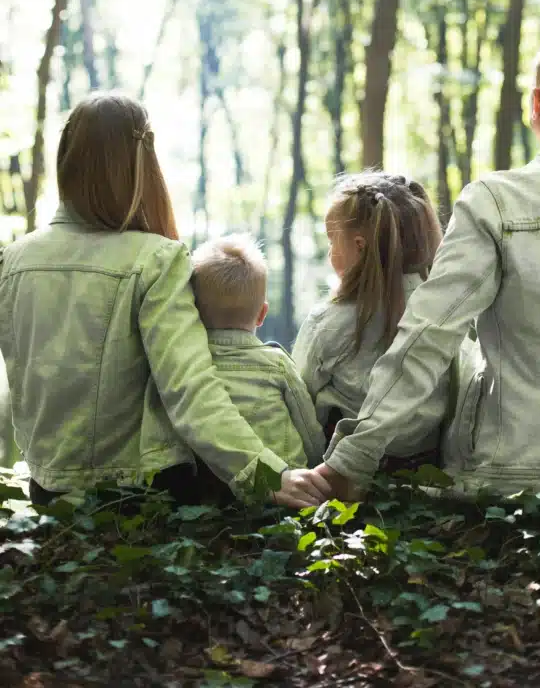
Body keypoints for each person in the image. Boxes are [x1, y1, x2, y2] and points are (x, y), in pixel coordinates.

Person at [308, 33, 540, 500]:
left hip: (513, 479)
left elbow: (427, 336)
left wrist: (351, 459)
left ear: (536, 102)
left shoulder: (496, 201)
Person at [0, 93, 330, 509]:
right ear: (141, 165)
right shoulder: (155, 259)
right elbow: (190, 389)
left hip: (48, 492)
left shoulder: (12, 260)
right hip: (139, 497)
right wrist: (265, 475)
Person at [292, 171, 447, 469]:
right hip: (427, 468)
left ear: (360, 246)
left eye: (332, 241)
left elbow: (300, 403)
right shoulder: (444, 312)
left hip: (345, 472)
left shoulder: (328, 321)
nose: (330, 253)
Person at [189, 233, 324, 480]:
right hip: (286, 485)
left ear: (193, 311)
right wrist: (316, 467)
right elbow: (308, 429)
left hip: (216, 492)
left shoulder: (189, 367)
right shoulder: (277, 364)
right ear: (262, 314)